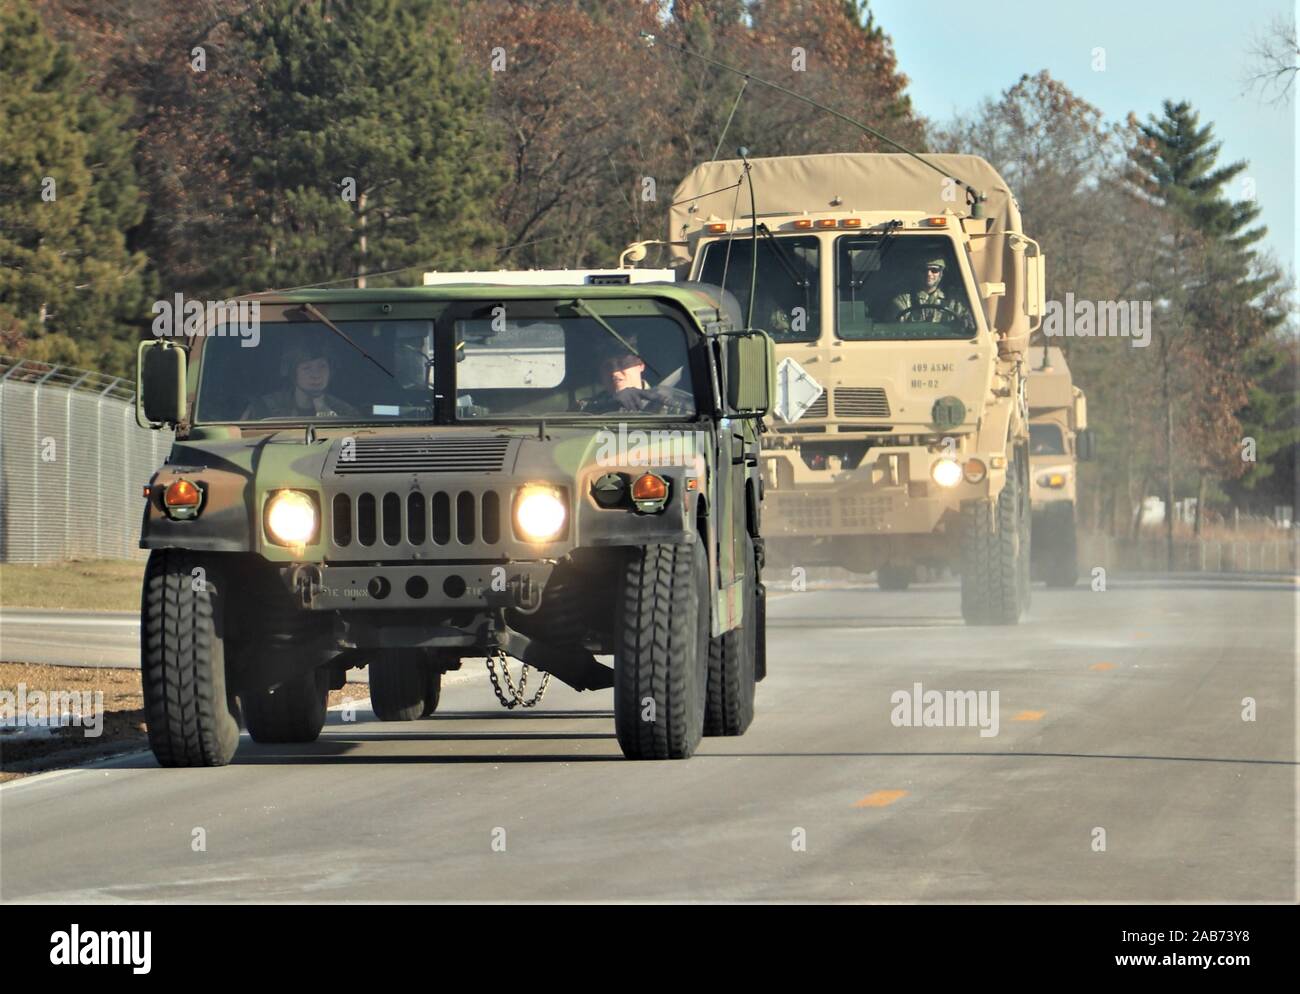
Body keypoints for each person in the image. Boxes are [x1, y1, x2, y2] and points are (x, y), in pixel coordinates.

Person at [242, 343, 360, 419]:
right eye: (306, 368)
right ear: (293, 373)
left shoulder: (345, 412)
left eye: (322, 366)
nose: (316, 375)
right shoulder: (263, 408)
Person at [579, 352, 694, 415]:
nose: (615, 373)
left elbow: (700, 419)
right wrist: (610, 402)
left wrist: (658, 400)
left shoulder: (669, 401)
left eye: (622, 364)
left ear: (641, 365)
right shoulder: (589, 406)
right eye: (607, 366)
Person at [890, 256, 974, 328]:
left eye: (934, 270)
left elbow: (969, 324)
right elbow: (893, 330)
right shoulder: (903, 300)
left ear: (941, 274)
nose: (929, 274)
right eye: (923, 270)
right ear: (916, 273)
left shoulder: (955, 300)